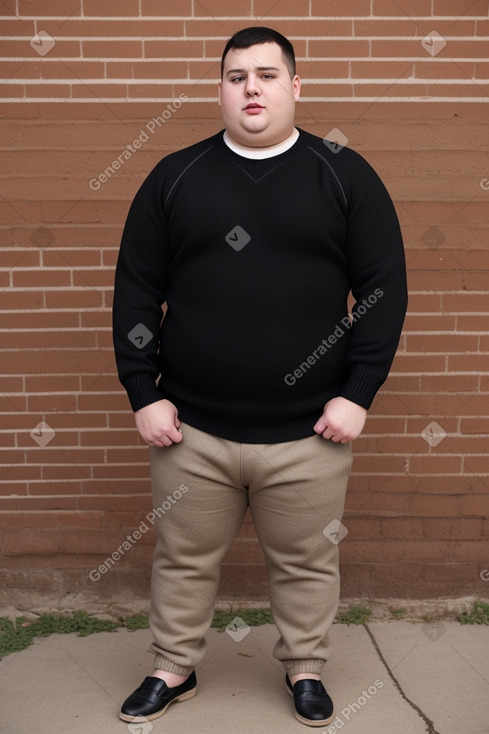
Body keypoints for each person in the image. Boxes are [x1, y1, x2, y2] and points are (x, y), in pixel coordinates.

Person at [112, 26, 408, 728]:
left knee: (307, 564)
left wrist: (357, 392)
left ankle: (305, 669)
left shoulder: (342, 173)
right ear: (219, 88)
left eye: (267, 75)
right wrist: (142, 392)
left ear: (295, 86)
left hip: (311, 430)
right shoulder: (176, 175)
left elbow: (382, 289)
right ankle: (172, 668)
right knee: (182, 560)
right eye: (236, 75)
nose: (251, 87)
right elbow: (134, 290)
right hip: (190, 428)